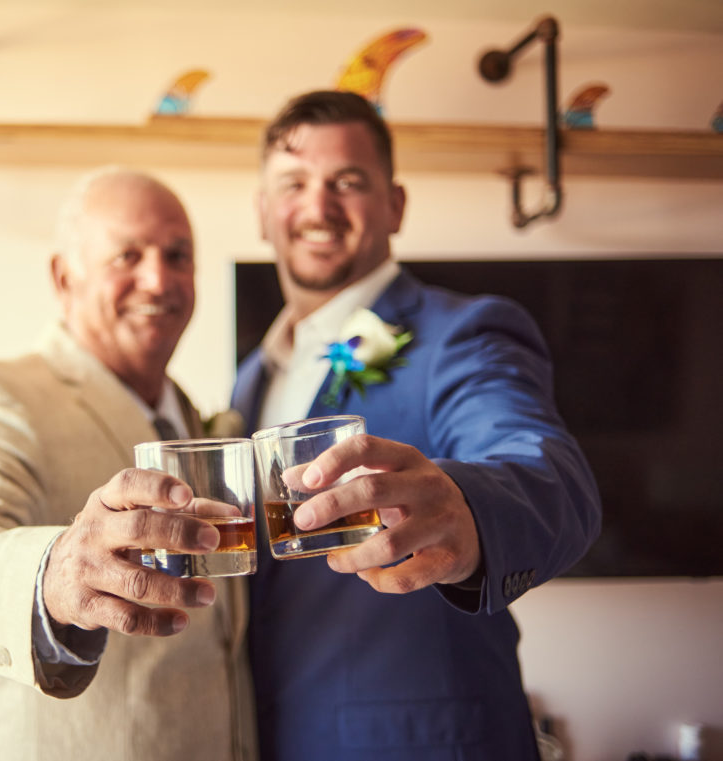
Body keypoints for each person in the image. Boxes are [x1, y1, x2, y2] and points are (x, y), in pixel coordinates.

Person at [232, 90, 601, 761]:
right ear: (263, 211)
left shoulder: (465, 333)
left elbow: (550, 474)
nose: (317, 207)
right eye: (293, 184)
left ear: (395, 203)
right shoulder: (253, 373)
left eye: (348, 181)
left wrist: (466, 507)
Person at [0, 167, 255, 761]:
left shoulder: (192, 418)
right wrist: (54, 575)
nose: (157, 277)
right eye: (127, 256)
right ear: (65, 276)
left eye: (177, 255)